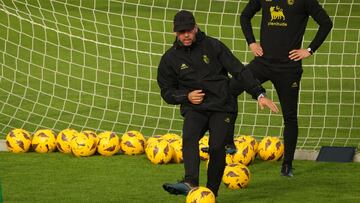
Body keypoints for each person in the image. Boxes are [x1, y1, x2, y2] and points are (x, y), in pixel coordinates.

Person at [157, 10, 279, 197]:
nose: (186, 35)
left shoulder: (213, 46)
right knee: (189, 137)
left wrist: (259, 94)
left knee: (216, 147)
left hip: (222, 106)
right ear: (175, 33)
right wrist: (186, 96)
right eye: (181, 32)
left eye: (189, 30)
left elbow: (239, 70)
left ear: (195, 28)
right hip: (195, 108)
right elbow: (166, 91)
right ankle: (190, 182)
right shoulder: (169, 59)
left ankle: (210, 193)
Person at [230, 0, 333, 177]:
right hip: (262, 63)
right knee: (229, 90)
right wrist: (252, 42)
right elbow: (245, 16)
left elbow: (326, 23)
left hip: (289, 69)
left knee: (290, 116)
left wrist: (309, 49)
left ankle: (287, 164)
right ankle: (227, 143)